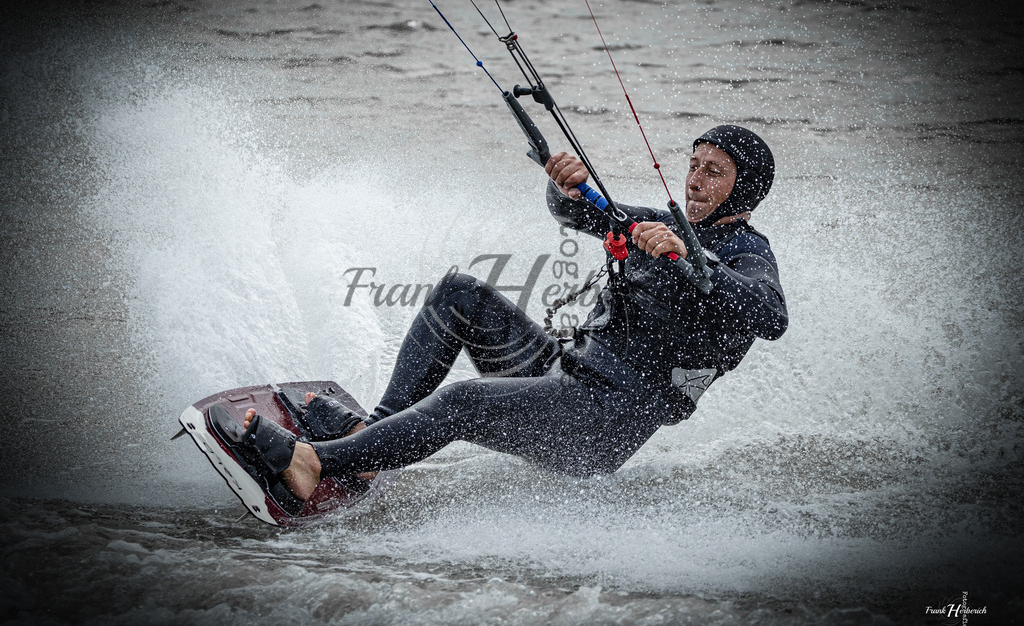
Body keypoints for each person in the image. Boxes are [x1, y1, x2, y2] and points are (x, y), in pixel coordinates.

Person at [209, 125, 788, 509]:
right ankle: (371, 440)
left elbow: (772, 316)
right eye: (694, 164)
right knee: (459, 293)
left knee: (466, 401)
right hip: (566, 375)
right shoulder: (660, 223)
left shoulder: (748, 256)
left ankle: (317, 463)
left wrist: (690, 257)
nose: (694, 179)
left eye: (714, 171)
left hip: (601, 425)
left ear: (746, 190)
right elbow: (579, 213)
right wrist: (568, 183)